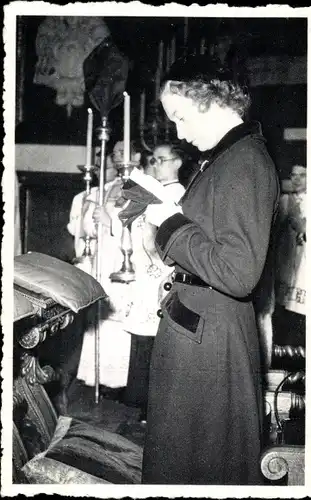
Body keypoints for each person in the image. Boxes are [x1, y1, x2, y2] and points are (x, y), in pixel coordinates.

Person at [132, 55, 280, 484]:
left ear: (206, 98)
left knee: (201, 464)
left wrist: (171, 222)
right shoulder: (226, 158)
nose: (178, 132)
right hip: (198, 328)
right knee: (186, 458)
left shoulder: (244, 162)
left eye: (179, 117)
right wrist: (164, 228)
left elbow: (237, 272)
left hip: (210, 340)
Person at [67, 140, 140, 392]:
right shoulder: (107, 187)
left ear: (138, 155)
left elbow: (141, 228)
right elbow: (84, 227)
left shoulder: (141, 185)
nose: (118, 157)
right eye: (116, 153)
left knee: (119, 316)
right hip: (103, 257)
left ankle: (119, 381)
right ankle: (96, 376)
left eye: (124, 152)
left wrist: (111, 223)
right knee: (100, 317)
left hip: (124, 259)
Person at [122, 143, 185, 421]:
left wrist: (150, 241)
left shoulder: (180, 194)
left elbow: (163, 239)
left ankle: (156, 409)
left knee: (157, 342)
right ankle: (143, 405)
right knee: (144, 341)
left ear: (178, 162)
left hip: (161, 274)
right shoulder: (152, 193)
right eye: (154, 160)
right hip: (144, 274)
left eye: (162, 160)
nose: (156, 165)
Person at [274, 164, 306, 347]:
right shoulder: (284, 201)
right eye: (293, 175)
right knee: (282, 310)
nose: (297, 179)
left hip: (304, 266)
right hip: (285, 260)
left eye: (302, 175)